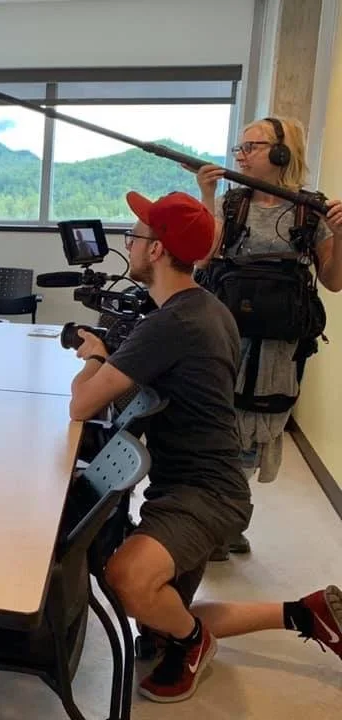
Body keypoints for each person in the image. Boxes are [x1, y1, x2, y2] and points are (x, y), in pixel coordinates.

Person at [67, 189, 341, 703]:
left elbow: (82, 405)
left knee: (127, 577)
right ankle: (306, 612)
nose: (128, 242)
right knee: (164, 617)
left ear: (155, 251)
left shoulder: (172, 322)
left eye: (136, 235)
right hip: (201, 485)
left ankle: (195, 644)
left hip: (204, 495)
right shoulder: (206, 305)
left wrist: (96, 355)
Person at [192, 116, 342, 558]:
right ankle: (221, 519)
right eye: (240, 148)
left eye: (251, 147)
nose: (241, 155)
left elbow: (333, 281)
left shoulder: (308, 209)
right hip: (225, 333)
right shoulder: (232, 204)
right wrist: (206, 196)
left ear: (281, 152)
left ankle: (231, 520)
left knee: (255, 431)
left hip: (277, 346)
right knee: (216, 425)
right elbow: (202, 257)